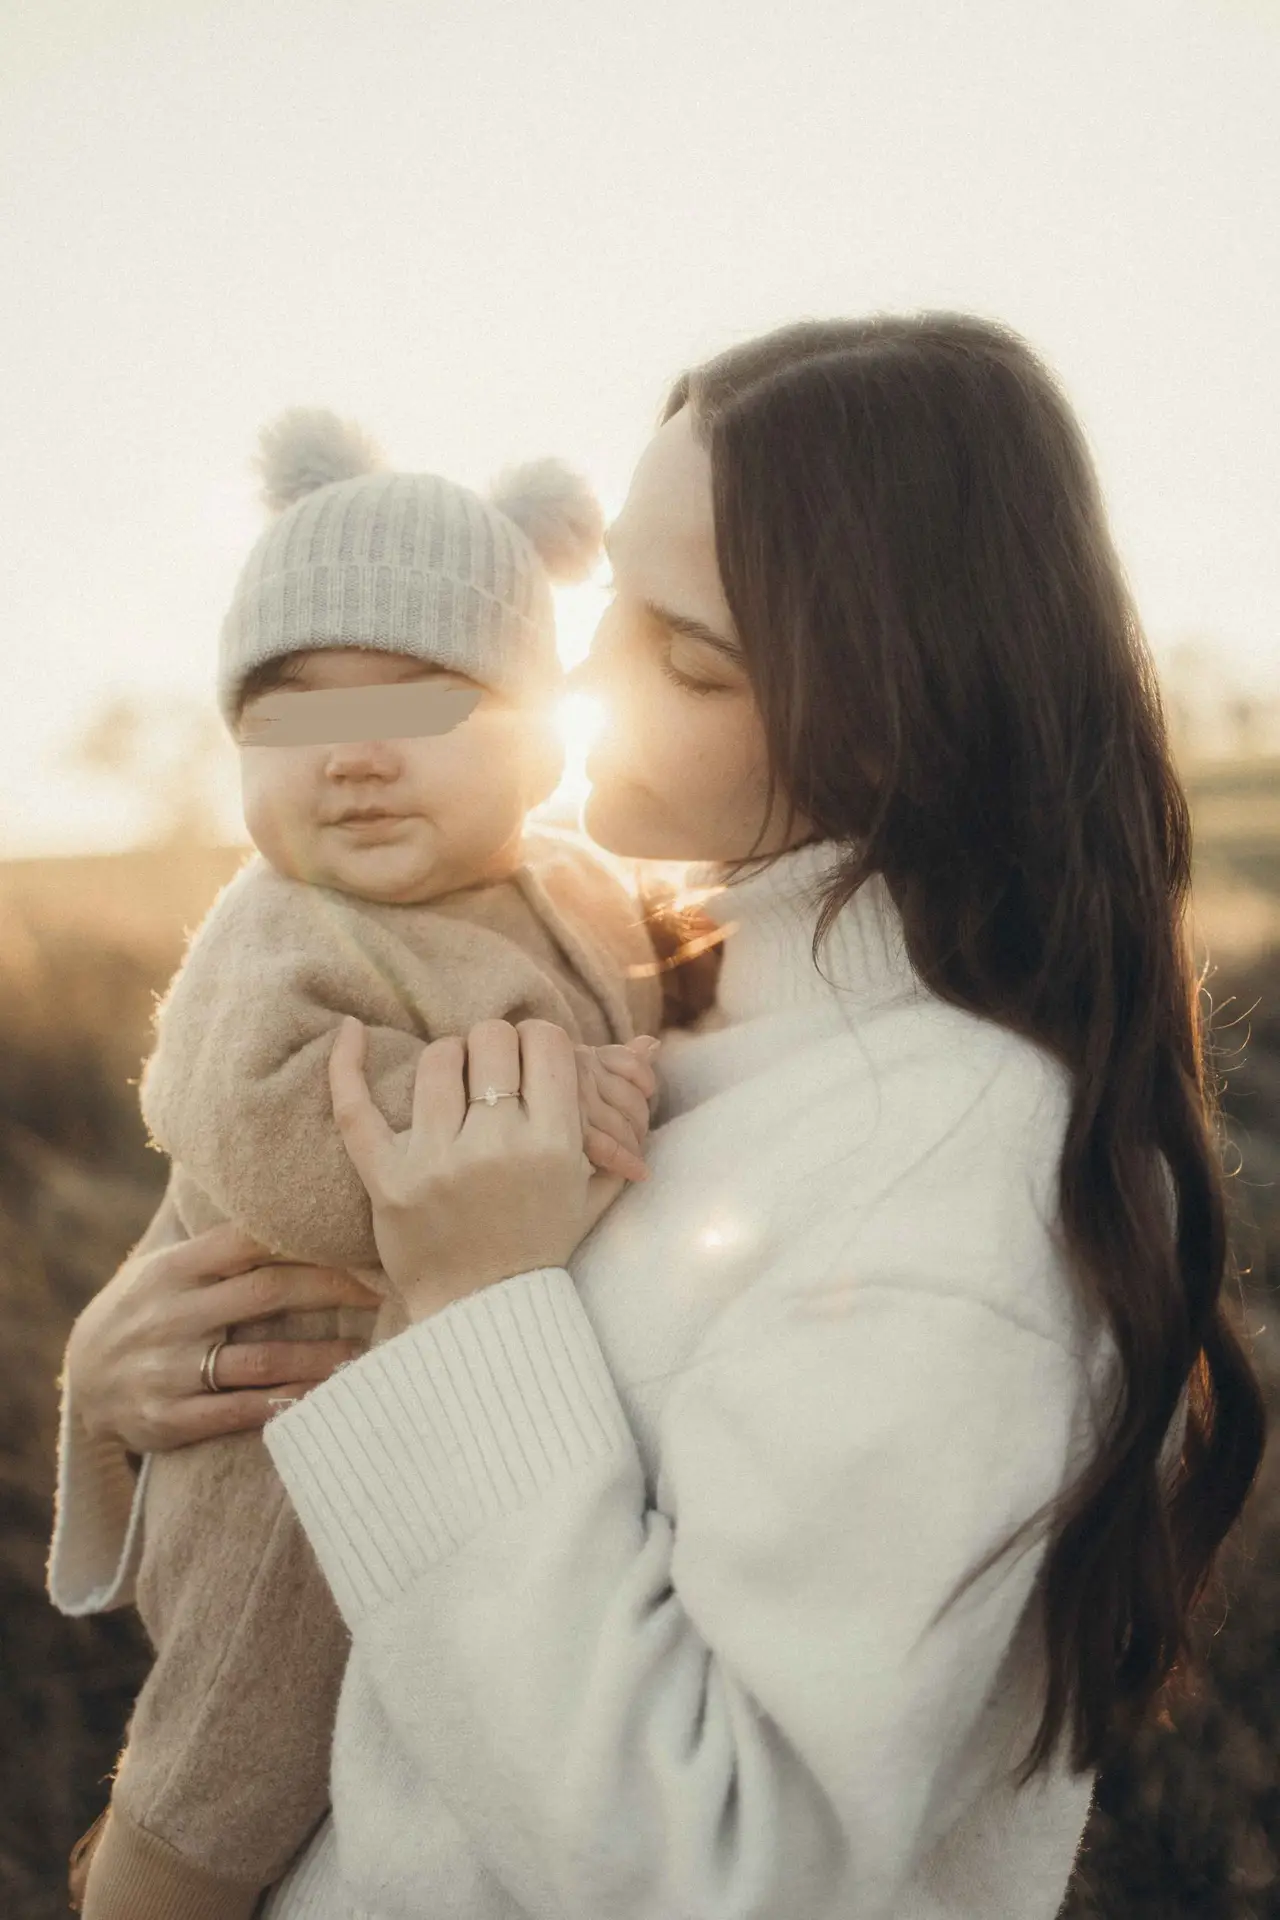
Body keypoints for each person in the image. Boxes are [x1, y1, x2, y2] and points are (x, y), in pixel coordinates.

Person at [51, 314, 1267, 1920]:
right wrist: (124, 1374)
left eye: (685, 654)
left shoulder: (950, 1185)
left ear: (884, 715)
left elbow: (726, 1871)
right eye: (608, 597)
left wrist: (470, 1303)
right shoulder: (667, 973)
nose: (579, 675)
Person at [50, 406, 667, 1919]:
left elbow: (648, 1015)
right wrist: (568, 1128)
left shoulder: (581, 889)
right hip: (284, 1442)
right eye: (295, 717)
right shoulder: (271, 936)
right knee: (230, 1763)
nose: (360, 761)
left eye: (428, 704)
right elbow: (298, 1151)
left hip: (443, 1420)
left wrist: (639, 1065)